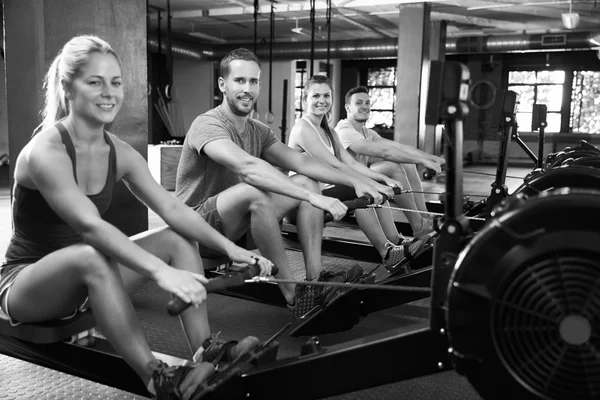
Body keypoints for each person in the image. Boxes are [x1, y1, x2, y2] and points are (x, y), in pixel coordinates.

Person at [0, 35, 274, 400]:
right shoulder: (45, 151)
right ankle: (156, 377)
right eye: (94, 82)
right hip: (27, 287)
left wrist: (231, 249)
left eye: (115, 82)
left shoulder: (119, 152)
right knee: (90, 254)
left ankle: (206, 348)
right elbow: (89, 226)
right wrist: (162, 272)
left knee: (178, 235)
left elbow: (173, 209)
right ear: (68, 87)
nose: (108, 92)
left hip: (88, 276)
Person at [175, 48, 393, 318]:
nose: (247, 89)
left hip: (236, 227)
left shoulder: (259, 131)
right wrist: (315, 199)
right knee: (255, 191)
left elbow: (302, 163)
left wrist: (359, 181)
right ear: (223, 85)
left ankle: (314, 283)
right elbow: (247, 166)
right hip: (197, 230)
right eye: (239, 81)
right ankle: (293, 296)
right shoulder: (207, 124)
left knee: (306, 180)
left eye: (253, 81)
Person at [287, 75, 422, 267]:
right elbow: (335, 165)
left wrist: (383, 179)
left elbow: (352, 164)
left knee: (378, 187)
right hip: (301, 203)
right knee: (367, 190)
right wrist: (372, 185)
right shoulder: (303, 128)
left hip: (320, 195)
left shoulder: (329, 132)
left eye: (327, 95)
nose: (322, 101)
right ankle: (387, 253)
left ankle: (395, 242)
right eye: (316, 96)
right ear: (304, 100)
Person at [335, 86, 446, 239]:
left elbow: (398, 147)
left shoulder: (367, 132)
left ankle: (424, 217)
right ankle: (418, 225)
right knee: (393, 166)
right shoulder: (344, 130)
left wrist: (432, 158)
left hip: (359, 176)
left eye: (367, 103)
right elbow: (384, 152)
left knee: (407, 163)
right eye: (359, 103)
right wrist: (423, 161)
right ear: (348, 107)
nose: (364, 107)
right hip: (341, 182)